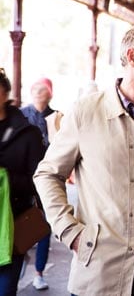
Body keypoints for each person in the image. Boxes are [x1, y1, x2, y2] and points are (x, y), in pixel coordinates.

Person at [33, 21, 134, 296]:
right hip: (99, 273)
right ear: (132, 57)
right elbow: (48, 174)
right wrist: (70, 232)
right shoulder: (86, 112)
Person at [0, 69, 45, 295]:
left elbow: (39, 181)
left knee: (6, 290)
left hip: (13, 224)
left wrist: (5, 177)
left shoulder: (28, 134)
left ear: (5, 94)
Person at [20, 77, 60, 291]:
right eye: (35, 89)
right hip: (23, 182)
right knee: (21, 226)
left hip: (47, 181)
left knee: (43, 227)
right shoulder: (21, 116)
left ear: (50, 94)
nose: (38, 92)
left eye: (42, 90)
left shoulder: (56, 118)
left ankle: (39, 273)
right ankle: (20, 264)